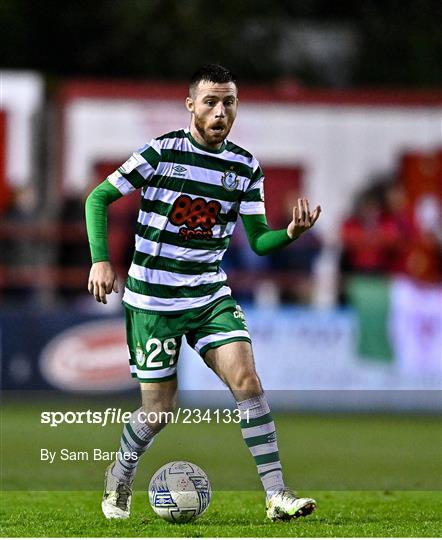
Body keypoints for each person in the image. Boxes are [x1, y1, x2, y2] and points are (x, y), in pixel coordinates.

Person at [85, 64, 321, 522]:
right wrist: (99, 259)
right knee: (158, 412)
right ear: (191, 104)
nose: (220, 111)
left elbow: (258, 240)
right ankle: (119, 472)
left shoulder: (244, 166)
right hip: (152, 300)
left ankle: (276, 495)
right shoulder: (160, 152)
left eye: (228, 101)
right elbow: (98, 197)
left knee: (248, 383)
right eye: (210, 101)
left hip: (208, 294)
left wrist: (289, 232)